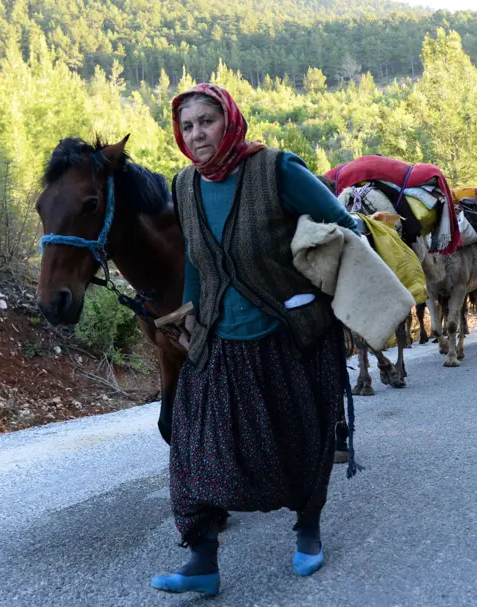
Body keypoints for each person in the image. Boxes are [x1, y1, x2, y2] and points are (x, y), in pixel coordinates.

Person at [150, 83, 362, 597]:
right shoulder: (184, 186)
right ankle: (202, 559)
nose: (197, 134)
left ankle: (308, 532)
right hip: (219, 338)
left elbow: (342, 225)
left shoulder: (276, 170)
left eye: (207, 121)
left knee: (300, 438)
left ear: (229, 121)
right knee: (193, 448)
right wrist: (190, 310)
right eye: (187, 126)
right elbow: (200, 260)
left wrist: (325, 289)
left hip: (288, 334)